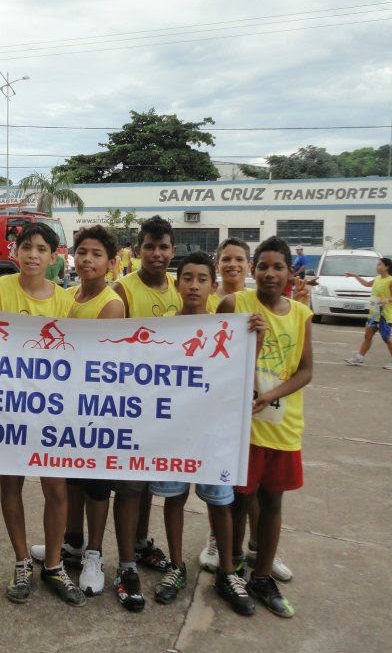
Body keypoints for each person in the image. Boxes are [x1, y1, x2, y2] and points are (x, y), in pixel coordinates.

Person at [0, 223, 84, 606]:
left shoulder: (65, 301)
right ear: (15, 251)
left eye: (41, 248)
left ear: (54, 256)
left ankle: (54, 564)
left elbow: (74, 358)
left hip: (51, 411)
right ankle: (22, 560)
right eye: (27, 247)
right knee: (11, 486)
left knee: (56, 488)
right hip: (8, 408)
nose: (33, 255)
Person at [151, 252, 258, 616]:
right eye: (186, 278)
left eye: (201, 279)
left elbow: (244, 374)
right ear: (176, 283)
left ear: (213, 286)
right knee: (174, 499)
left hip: (213, 434)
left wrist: (254, 338)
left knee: (220, 502)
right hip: (174, 430)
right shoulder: (163, 325)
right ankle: (176, 566)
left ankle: (228, 571)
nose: (193, 285)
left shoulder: (228, 328)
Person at [218, 236, 314, 618]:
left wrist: (274, 391)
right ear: (252, 271)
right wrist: (250, 342)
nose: (270, 274)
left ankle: (262, 576)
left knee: (272, 501)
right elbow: (216, 356)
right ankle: (234, 568)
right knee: (239, 500)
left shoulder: (300, 315)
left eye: (278, 267)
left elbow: (306, 370)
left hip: (283, 425)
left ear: (290, 272)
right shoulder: (235, 304)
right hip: (244, 429)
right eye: (263, 266)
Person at [28, 225, 123, 597]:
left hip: (96, 408)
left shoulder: (111, 304)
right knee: (70, 481)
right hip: (64, 406)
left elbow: (94, 360)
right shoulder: (68, 297)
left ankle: (95, 554)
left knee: (97, 485)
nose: (87, 259)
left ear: (111, 262)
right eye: (82, 252)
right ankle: (72, 543)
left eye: (97, 254)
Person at [198, 239, 295, 584]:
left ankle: (259, 549)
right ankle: (223, 546)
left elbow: (301, 366)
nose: (233, 264)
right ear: (218, 264)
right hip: (231, 413)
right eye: (226, 259)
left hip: (273, 418)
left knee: (261, 495)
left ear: (247, 265)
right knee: (234, 491)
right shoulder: (220, 300)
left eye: (239, 258)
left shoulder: (287, 309)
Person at [109, 215, 182, 612]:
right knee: (131, 486)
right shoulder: (123, 289)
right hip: (132, 406)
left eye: (164, 246)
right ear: (137, 251)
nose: (157, 253)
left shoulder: (183, 289)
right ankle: (124, 566)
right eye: (149, 246)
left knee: (152, 483)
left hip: (170, 407)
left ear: (172, 250)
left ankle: (139, 545)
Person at [344, 258, 392, 370]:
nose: (377, 267)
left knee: (386, 338)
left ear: (387, 267)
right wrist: (354, 275)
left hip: (385, 314)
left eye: (379, 265)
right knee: (368, 336)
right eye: (377, 265)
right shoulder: (377, 278)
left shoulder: (391, 280)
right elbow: (366, 284)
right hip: (375, 312)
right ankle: (359, 358)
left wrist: (387, 300)